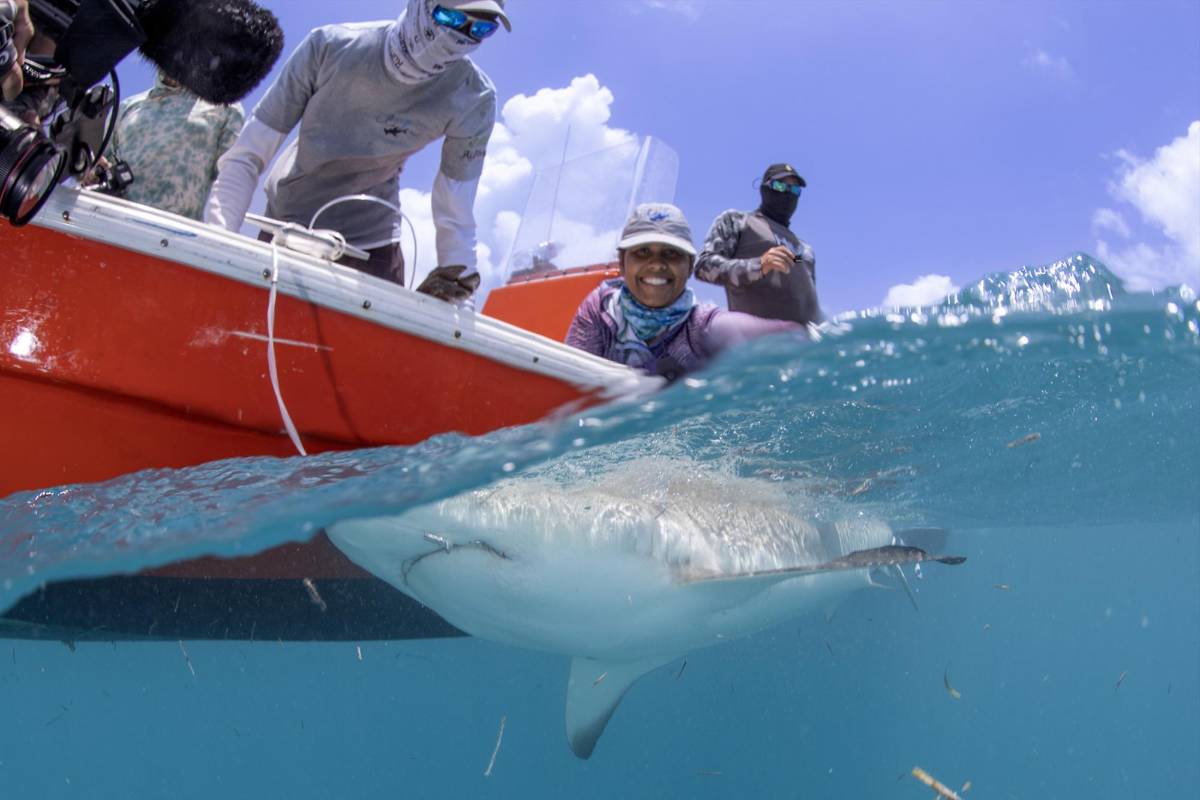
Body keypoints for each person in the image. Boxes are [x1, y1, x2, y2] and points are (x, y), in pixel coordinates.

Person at [205, 0, 510, 302]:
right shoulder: (329, 46)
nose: (463, 35)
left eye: (482, 28)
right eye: (452, 18)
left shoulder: (474, 97)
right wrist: (219, 241)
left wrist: (460, 290)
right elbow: (248, 154)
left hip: (374, 246)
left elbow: (455, 205)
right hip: (288, 225)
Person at [566, 203, 803, 380]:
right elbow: (570, 378)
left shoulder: (703, 327)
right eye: (643, 252)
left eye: (671, 253)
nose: (657, 264)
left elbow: (776, 336)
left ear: (690, 266)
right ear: (621, 261)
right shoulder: (599, 308)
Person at [102, 70, 243, 220]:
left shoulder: (225, 109)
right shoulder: (127, 106)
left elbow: (232, 181)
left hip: (178, 235)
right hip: (115, 225)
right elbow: (98, 167)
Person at [695, 163, 821, 325]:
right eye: (780, 186)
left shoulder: (805, 250)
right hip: (756, 343)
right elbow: (704, 267)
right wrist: (758, 266)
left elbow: (803, 277)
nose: (788, 193)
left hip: (806, 346)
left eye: (794, 190)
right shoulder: (737, 221)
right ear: (764, 188)